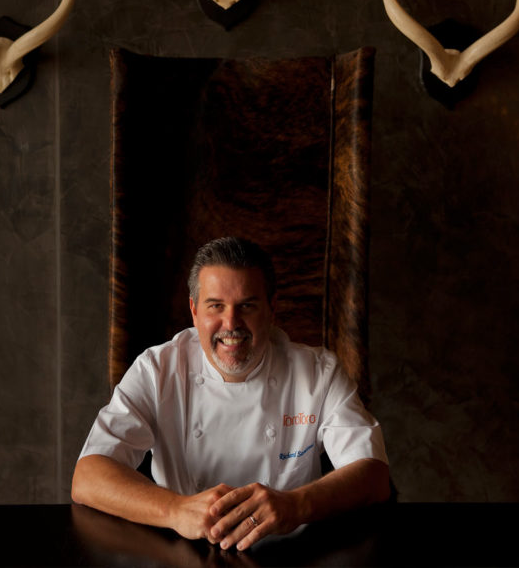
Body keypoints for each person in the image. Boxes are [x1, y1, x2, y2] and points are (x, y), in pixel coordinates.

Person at [71, 236, 390, 551]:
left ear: (272, 308)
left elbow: (374, 475)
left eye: (247, 306)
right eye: (216, 306)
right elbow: (88, 476)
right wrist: (175, 510)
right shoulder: (158, 369)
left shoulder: (318, 372)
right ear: (194, 311)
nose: (231, 323)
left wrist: (294, 505)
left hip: (293, 555)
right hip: (185, 554)